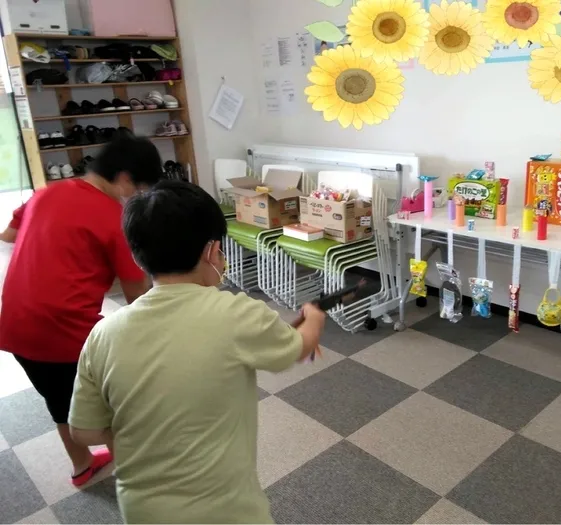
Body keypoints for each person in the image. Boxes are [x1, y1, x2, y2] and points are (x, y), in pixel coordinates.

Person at [68, 180, 326, 524]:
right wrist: (313, 318)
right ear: (211, 251)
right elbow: (297, 347)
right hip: (226, 509)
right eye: (221, 252)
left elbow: (83, 432)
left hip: (143, 510)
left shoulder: (102, 334)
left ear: (136, 254)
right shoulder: (238, 313)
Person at [0, 136, 160, 487]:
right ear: (124, 178)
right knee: (111, 402)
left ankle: (82, 465)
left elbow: (8, 235)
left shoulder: (47, 192)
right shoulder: (115, 217)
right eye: (141, 188)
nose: (138, 197)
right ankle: (142, 480)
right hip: (62, 330)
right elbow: (138, 295)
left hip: (13, 324)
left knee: (62, 400)